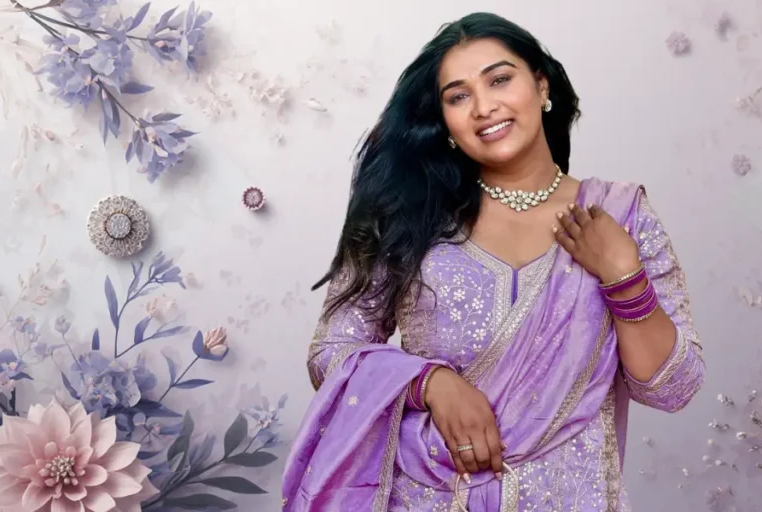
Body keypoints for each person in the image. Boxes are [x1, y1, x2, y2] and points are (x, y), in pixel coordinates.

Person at [282, 12, 705, 512]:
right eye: (458, 96)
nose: (484, 107)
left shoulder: (619, 215)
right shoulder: (408, 216)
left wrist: (624, 278)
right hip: (428, 496)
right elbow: (331, 350)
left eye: (500, 79)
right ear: (445, 122)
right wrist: (429, 383)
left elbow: (672, 388)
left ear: (541, 84)